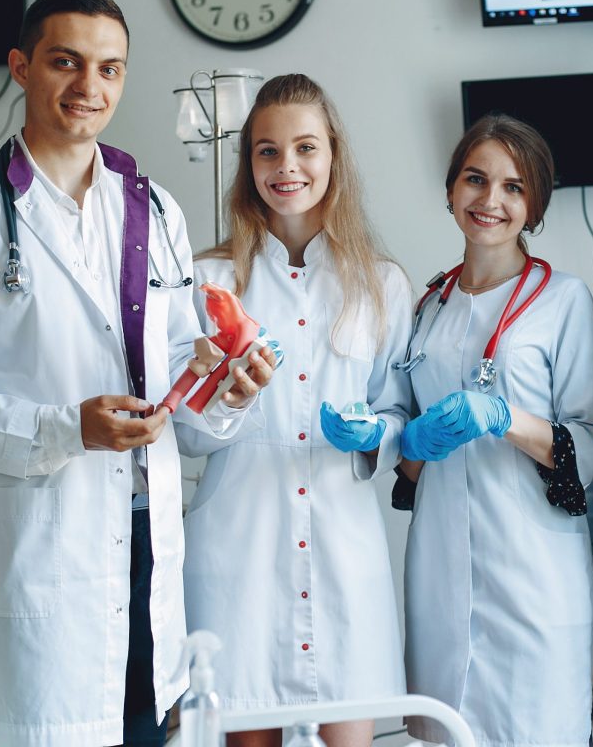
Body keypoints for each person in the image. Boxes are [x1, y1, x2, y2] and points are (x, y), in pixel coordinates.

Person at [0, 0, 274, 747]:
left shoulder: (156, 211)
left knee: (150, 732)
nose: (91, 87)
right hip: (47, 545)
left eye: (111, 69)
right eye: (67, 62)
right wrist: (62, 429)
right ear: (21, 68)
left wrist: (230, 391)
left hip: (151, 544)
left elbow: (186, 389)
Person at [174, 74, 411, 747]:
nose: (287, 168)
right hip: (238, 551)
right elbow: (183, 435)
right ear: (248, 165)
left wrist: (378, 432)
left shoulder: (382, 284)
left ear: (333, 154)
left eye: (305, 148)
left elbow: (398, 409)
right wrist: (229, 401)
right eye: (267, 151)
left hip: (345, 550)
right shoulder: (207, 281)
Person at [397, 114, 593, 746]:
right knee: (444, 732)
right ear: (451, 190)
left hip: (533, 568)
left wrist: (503, 418)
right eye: (476, 179)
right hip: (437, 561)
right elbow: (408, 448)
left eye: (514, 187)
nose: (491, 200)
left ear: (535, 201)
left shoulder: (562, 300)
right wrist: (403, 445)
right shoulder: (427, 304)